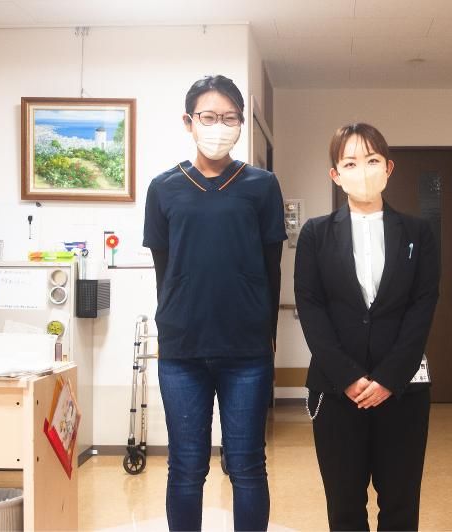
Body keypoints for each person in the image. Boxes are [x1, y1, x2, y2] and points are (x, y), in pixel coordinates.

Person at [143, 74, 286, 532]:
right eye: (208, 117)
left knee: (247, 465)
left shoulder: (261, 186)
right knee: (186, 468)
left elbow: (271, 270)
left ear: (241, 123)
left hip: (246, 353)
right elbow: (165, 273)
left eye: (229, 117)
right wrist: (171, 331)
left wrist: (267, 339)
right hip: (182, 353)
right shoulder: (164, 188)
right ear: (189, 122)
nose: (218, 126)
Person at [294, 123, 439, 531]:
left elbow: (423, 305)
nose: (363, 171)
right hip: (336, 391)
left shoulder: (418, 233)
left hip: (403, 390)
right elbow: (311, 307)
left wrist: (391, 377)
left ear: (388, 168)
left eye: (372, 160)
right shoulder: (315, 234)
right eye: (350, 163)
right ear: (335, 175)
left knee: (401, 506)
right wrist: (347, 376)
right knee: (344, 508)